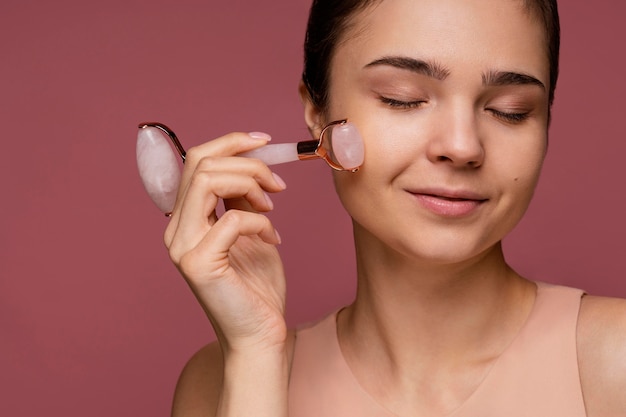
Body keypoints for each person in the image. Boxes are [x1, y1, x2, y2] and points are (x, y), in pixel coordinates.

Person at [163, 0, 626, 415]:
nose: (462, 146)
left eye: (510, 110)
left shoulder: (614, 361)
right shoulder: (217, 386)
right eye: (402, 99)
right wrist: (255, 355)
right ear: (317, 113)